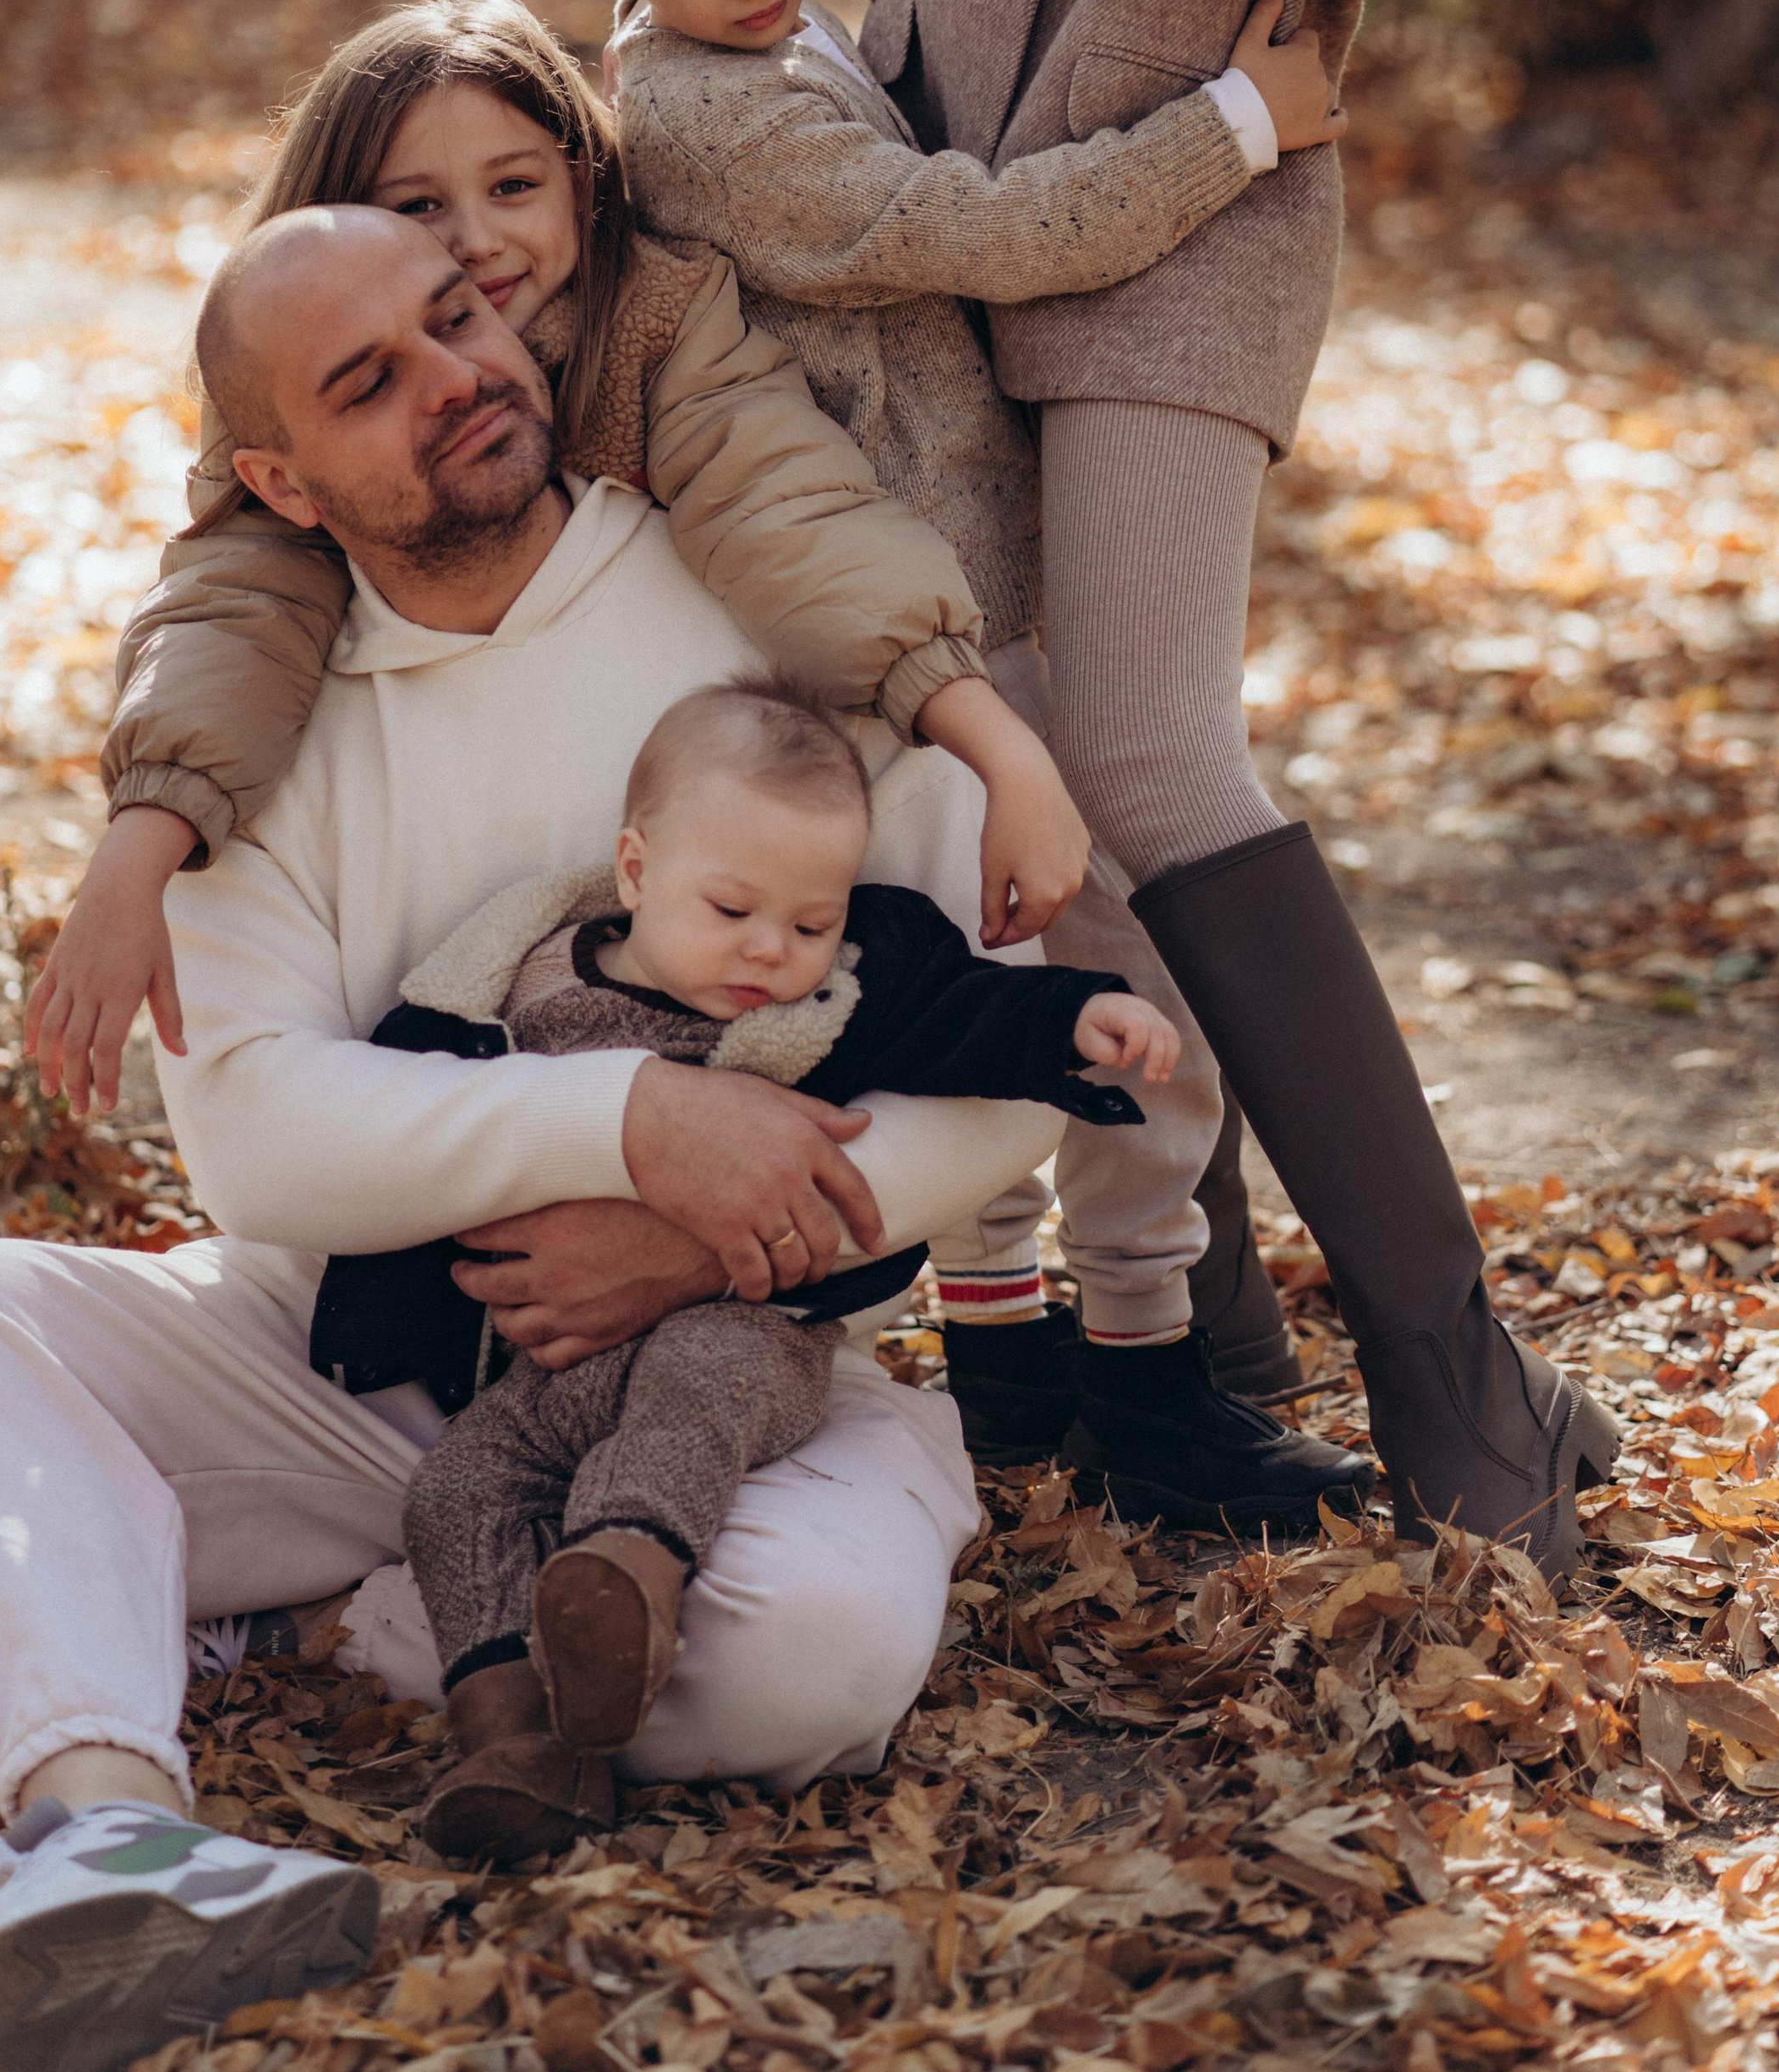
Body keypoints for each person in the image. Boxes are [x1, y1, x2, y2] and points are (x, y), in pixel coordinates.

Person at [776, 0, 1703, 1576]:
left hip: (1201, 214)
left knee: (1156, 758)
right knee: (1028, 783)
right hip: (933, 188)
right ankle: (1199, 1363)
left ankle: (1461, 1380)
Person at [0, 208, 1085, 2072]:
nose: (458, 380)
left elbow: (1006, 1052)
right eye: (371, 380)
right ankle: (114, 1822)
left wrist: (705, 1235)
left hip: (713, 1391)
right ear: (278, 475)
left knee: (810, 1661)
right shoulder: (253, 722)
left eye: (459, 319)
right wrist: (627, 1121)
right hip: (340, 1366)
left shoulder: (747, 614)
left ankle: (335, 1611)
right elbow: (257, 1141)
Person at [515, 0, 1361, 1522]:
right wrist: (1235, 122)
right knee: (1069, 962)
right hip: (927, 629)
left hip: (947, 606)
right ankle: (1127, 1372)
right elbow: (969, 228)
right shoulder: (708, 119)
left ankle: (1048, 1363)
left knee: (1001, 967)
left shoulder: (770, 34)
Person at [30, 0, 1084, 1118]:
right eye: (419, 208)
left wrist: (999, 746)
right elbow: (224, 613)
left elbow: (801, 519)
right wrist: (132, 856)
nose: (479, 244)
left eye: (516, 188)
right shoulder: (305, 428)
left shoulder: (659, 326)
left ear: (583, 181)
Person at [381, 670, 1235, 1866]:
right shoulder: (521, 978)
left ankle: (629, 1571)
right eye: (730, 910)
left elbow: (963, 1014)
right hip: (540, 1366)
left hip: (743, 1327)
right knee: (456, 1490)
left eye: (810, 923)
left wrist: (1074, 1017)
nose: (769, 952)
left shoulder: (832, 1004)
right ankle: (514, 1739)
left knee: (703, 1376)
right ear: (635, 873)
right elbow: (405, 1112)